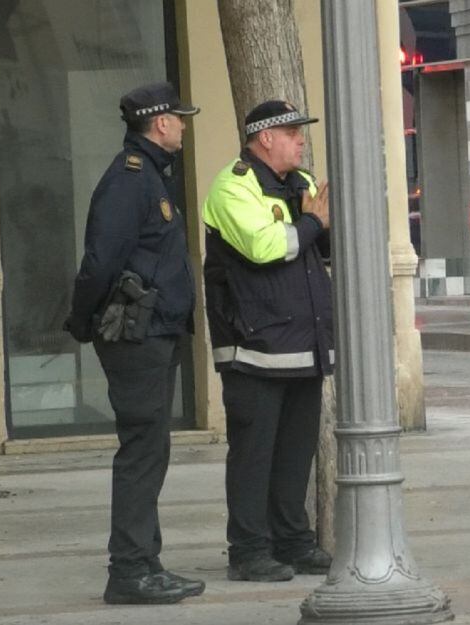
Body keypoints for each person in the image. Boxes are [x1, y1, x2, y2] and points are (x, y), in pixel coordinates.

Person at [64, 82, 204, 604]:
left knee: (152, 449)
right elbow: (100, 261)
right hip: (135, 333)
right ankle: (128, 571)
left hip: (153, 330)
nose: (185, 126)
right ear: (160, 123)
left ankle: (146, 561)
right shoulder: (130, 180)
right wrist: (83, 319)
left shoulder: (150, 176)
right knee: (143, 451)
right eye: (179, 118)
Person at [201, 100, 334, 582]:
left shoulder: (298, 185)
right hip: (252, 348)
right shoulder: (233, 185)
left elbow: (321, 249)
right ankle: (249, 551)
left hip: (304, 344)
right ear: (265, 138)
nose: (301, 140)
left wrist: (325, 226)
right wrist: (313, 224)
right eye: (293, 131)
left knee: (295, 455)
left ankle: (294, 542)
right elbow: (263, 248)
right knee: (254, 456)